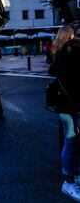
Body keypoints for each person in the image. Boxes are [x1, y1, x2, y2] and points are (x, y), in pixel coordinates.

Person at [49, 24, 80, 202]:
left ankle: (73, 176)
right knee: (71, 142)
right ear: (68, 35)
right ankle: (68, 182)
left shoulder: (59, 52)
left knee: (73, 143)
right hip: (69, 106)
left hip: (69, 105)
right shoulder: (67, 53)